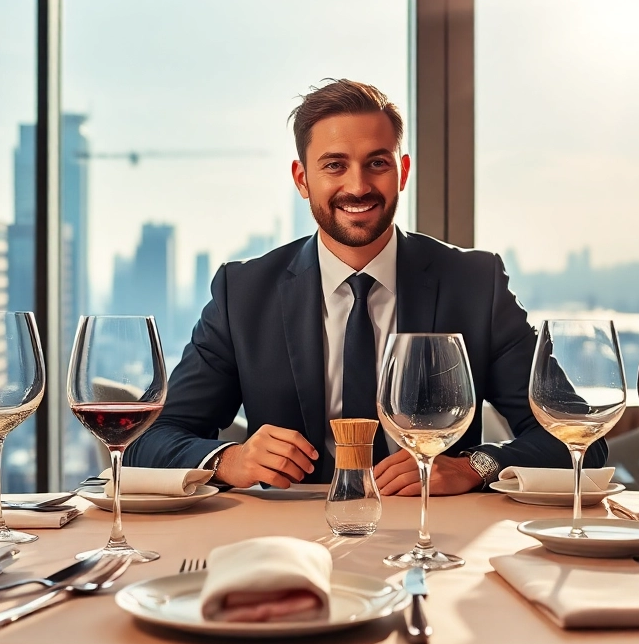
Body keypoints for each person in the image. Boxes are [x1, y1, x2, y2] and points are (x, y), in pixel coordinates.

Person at [127, 79, 607, 495]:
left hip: (433, 537)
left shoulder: (475, 284)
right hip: (291, 539)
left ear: (402, 172)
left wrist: (473, 467)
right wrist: (229, 460)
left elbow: (579, 438)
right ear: (302, 179)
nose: (357, 186)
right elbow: (148, 439)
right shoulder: (244, 293)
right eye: (334, 165)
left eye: (377, 163)